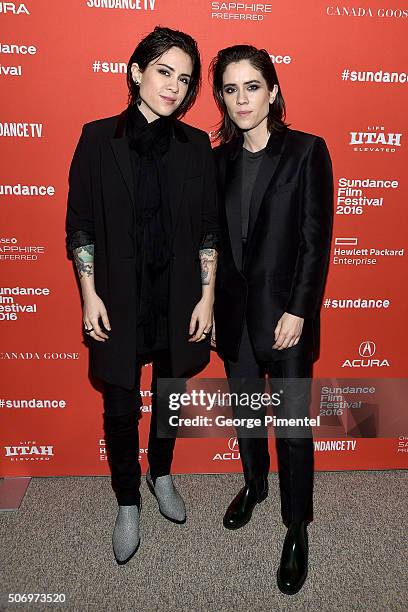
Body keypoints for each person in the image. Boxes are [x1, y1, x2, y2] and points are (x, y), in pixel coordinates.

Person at [66, 27, 218, 565]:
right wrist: (89, 294)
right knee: (121, 403)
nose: (174, 87)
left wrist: (206, 297)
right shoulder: (95, 138)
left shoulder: (196, 145)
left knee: (169, 395)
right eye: (163, 72)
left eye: (185, 79)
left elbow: (207, 229)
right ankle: (128, 500)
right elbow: (80, 224)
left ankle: (162, 475)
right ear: (135, 72)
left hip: (176, 296)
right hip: (118, 297)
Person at [210, 45, 333, 594]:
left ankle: (296, 526)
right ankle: (256, 485)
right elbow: (212, 242)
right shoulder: (219, 159)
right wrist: (210, 306)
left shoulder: (307, 152)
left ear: (273, 91)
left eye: (252, 86)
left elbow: (315, 242)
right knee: (246, 411)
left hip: (286, 318)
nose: (242, 99)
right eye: (231, 89)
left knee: (292, 428)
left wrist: (300, 310)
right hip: (234, 316)